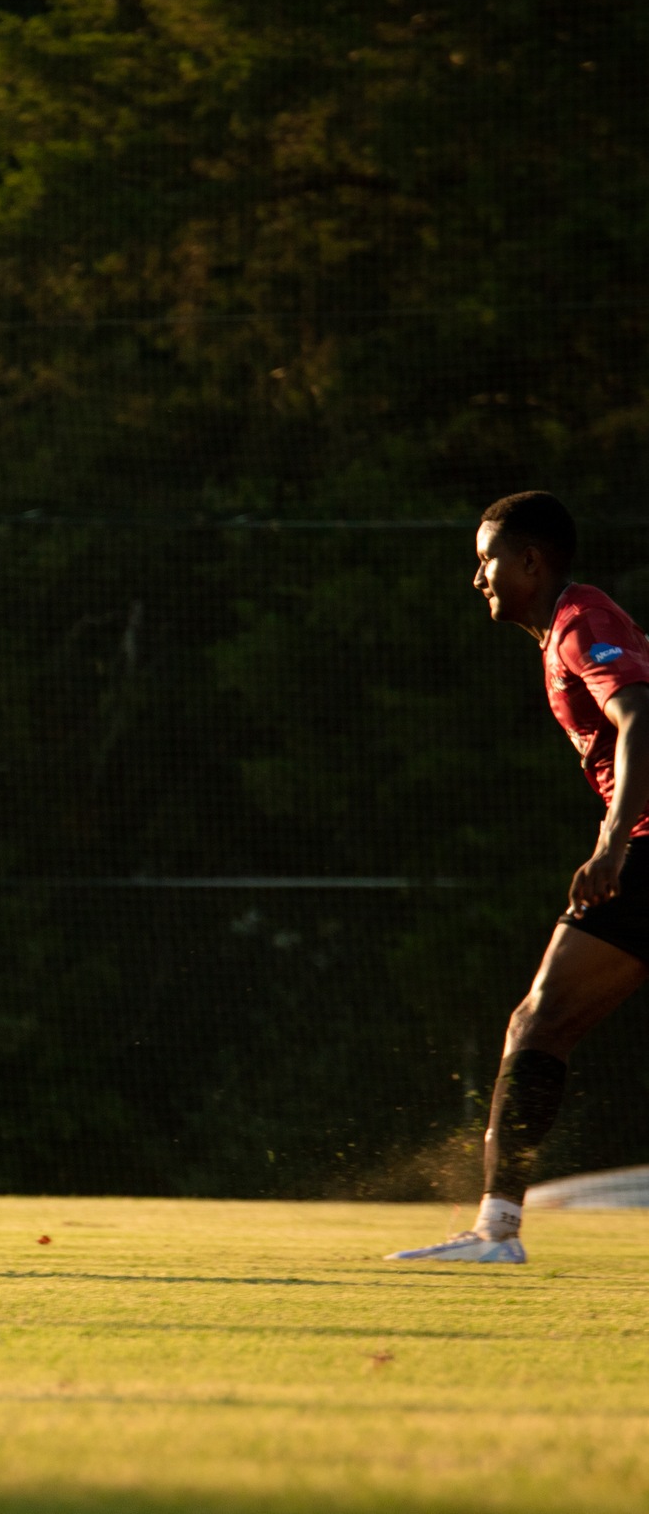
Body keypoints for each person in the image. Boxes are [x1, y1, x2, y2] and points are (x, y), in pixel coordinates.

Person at [390, 492, 649, 1264]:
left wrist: (611, 843)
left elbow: (640, 715)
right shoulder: (567, 629)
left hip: (648, 846)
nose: (479, 578)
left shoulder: (580, 621)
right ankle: (494, 1229)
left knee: (536, 1022)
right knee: (539, 1023)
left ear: (530, 562)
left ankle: (495, 1233)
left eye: (487, 560)